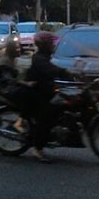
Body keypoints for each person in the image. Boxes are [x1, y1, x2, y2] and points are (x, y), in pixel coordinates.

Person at [25, 31, 73, 163]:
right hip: (38, 93)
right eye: (51, 43)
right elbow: (51, 70)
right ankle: (37, 149)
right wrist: (65, 72)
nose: (53, 46)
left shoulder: (44, 57)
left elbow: (53, 69)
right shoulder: (39, 59)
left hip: (45, 91)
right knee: (47, 116)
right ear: (45, 45)